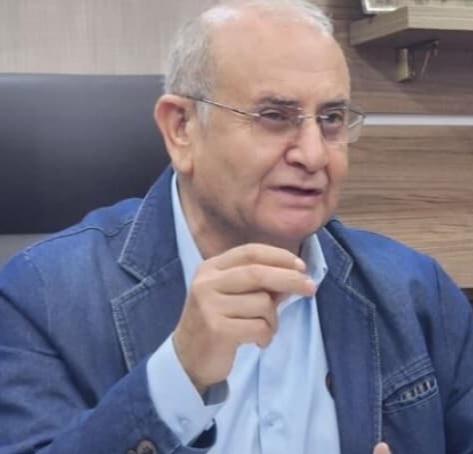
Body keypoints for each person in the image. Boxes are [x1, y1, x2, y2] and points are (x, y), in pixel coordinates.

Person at [1, 1, 472, 453]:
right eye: (274, 117)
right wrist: (176, 377)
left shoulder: (417, 292)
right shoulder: (41, 296)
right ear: (181, 129)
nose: (313, 155)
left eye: (331, 119)